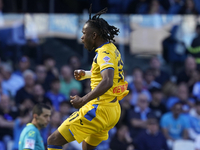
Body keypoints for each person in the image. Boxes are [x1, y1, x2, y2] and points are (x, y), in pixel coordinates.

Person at [47, 6, 129, 150]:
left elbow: (108, 81)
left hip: (99, 109)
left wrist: (83, 100)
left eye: (84, 33)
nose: (82, 37)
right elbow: (111, 75)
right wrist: (86, 74)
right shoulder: (112, 49)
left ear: (94, 35)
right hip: (113, 110)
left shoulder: (104, 53)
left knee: (53, 140)